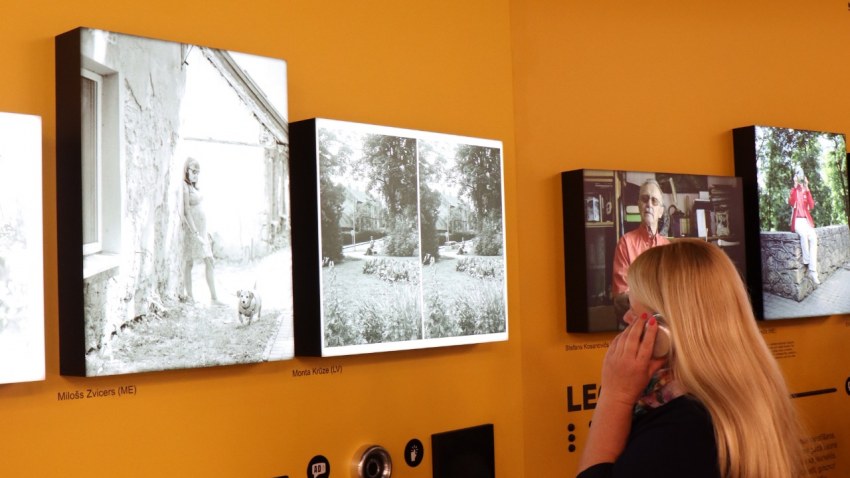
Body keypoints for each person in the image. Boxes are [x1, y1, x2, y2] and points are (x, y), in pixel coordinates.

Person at [577, 239, 806, 478]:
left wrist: (616, 396)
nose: (626, 318)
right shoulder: (748, 392)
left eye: (634, 311)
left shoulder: (680, 428)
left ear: (664, 330)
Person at [611, 179, 670, 325]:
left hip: (665, 324)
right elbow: (621, 298)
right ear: (639, 206)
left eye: (654, 201)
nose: (649, 204)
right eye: (645, 199)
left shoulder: (667, 248)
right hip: (636, 324)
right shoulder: (625, 243)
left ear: (660, 212)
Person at [181, 157, 222, 305]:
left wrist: (206, 232)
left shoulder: (194, 187)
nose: (195, 175)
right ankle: (190, 297)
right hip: (192, 231)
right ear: (187, 170)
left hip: (202, 231)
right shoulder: (185, 186)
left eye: (198, 172)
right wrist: (196, 233)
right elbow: (186, 212)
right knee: (189, 262)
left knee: (209, 260)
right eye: (193, 171)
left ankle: (214, 298)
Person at [789, 168, 819, 284]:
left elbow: (811, 205)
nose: (800, 177)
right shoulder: (794, 190)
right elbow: (791, 202)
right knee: (803, 235)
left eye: (801, 175)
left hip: (806, 221)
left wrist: (807, 187)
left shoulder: (805, 191)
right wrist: (795, 184)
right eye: (798, 175)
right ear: (796, 177)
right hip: (797, 221)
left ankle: (813, 271)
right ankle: (807, 261)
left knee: (813, 238)